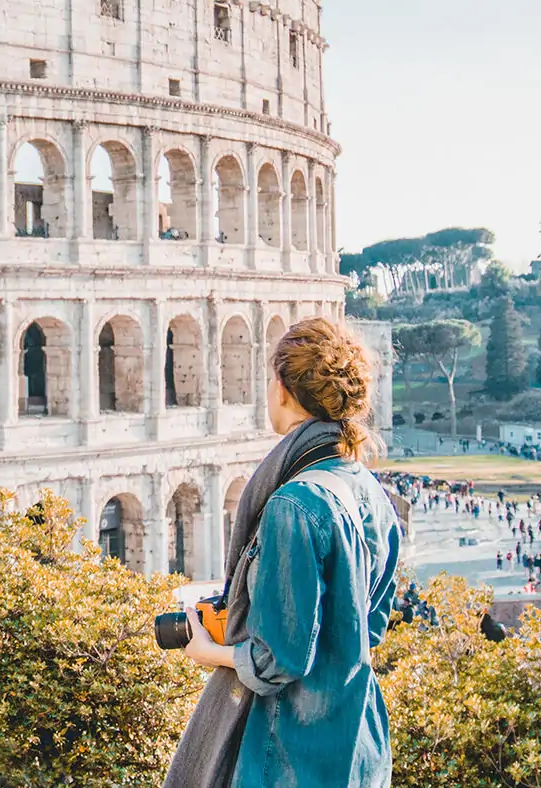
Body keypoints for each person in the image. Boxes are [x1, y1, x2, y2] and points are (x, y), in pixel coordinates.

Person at [164, 317, 402, 788]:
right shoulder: (369, 490)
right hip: (358, 744)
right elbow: (367, 627)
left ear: (282, 389)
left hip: (289, 753)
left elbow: (279, 660)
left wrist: (211, 650)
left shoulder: (293, 504)